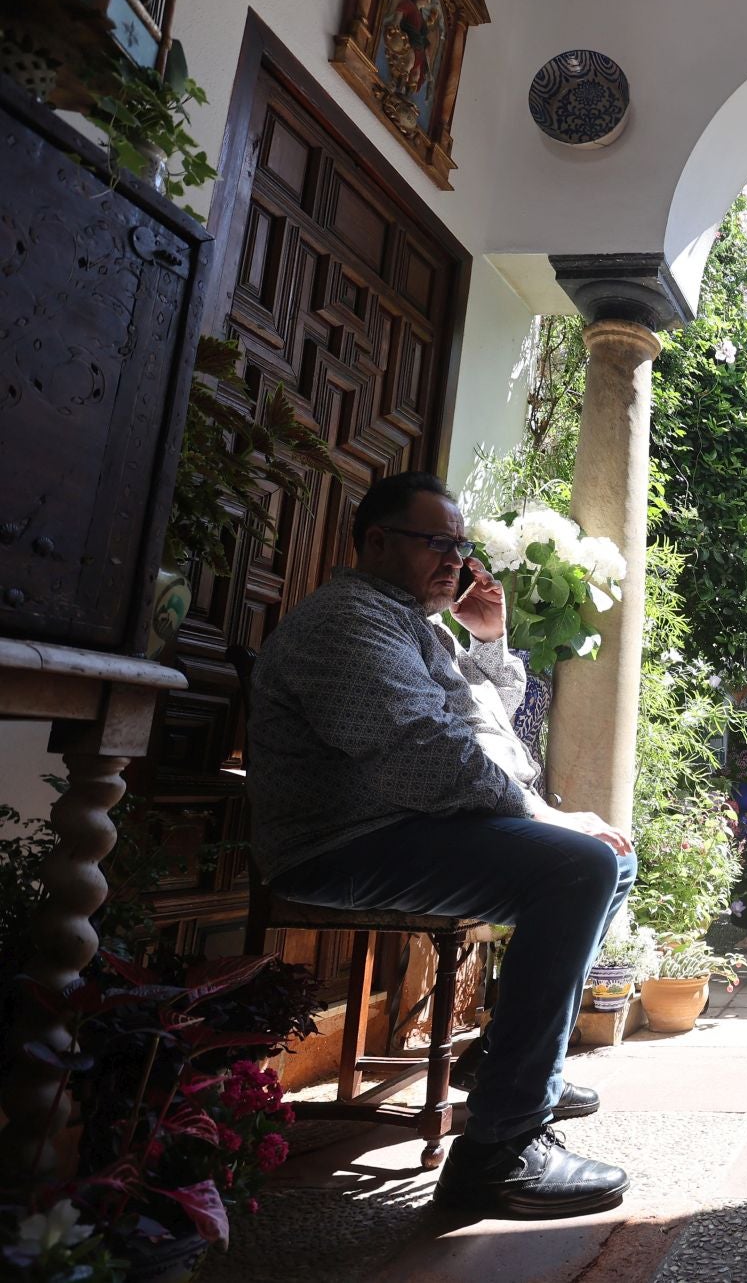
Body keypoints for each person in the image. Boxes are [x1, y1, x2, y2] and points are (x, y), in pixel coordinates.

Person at [247, 471, 634, 1218]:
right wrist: (544, 816)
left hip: (407, 826)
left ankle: (506, 1071)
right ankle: (500, 1149)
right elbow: (424, 752)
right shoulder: (350, 621)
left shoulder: (414, 622)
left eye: (460, 545)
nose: (456, 560)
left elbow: (488, 728)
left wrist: (489, 642)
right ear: (378, 541)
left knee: (609, 856)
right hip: (342, 844)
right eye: (438, 543)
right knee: (579, 864)